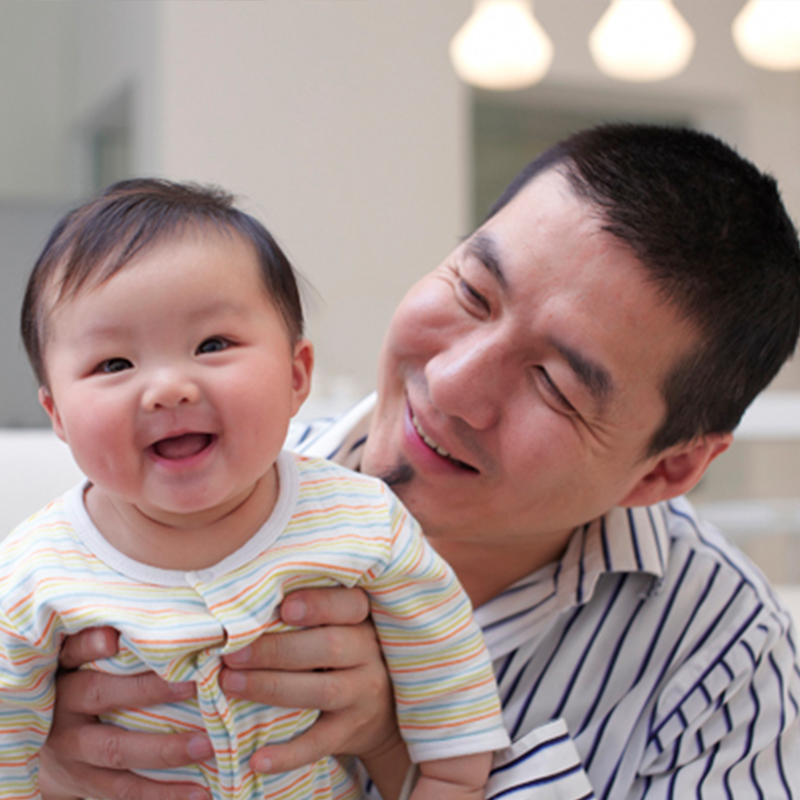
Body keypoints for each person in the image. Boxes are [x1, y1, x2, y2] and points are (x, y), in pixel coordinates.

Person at [38, 124, 800, 800]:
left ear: (664, 471)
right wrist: (52, 766)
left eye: (555, 382)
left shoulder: (726, 662)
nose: (452, 381)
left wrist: (396, 745)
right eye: (473, 291)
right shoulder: (152, 501)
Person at [4, 179, 510, 800]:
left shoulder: (361, 521)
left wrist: (449, 781)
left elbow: (445, 669)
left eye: (212, 345)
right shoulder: (34, 576)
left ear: (297, 375)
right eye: (114, 364)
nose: (168, 388)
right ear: (57, 415)